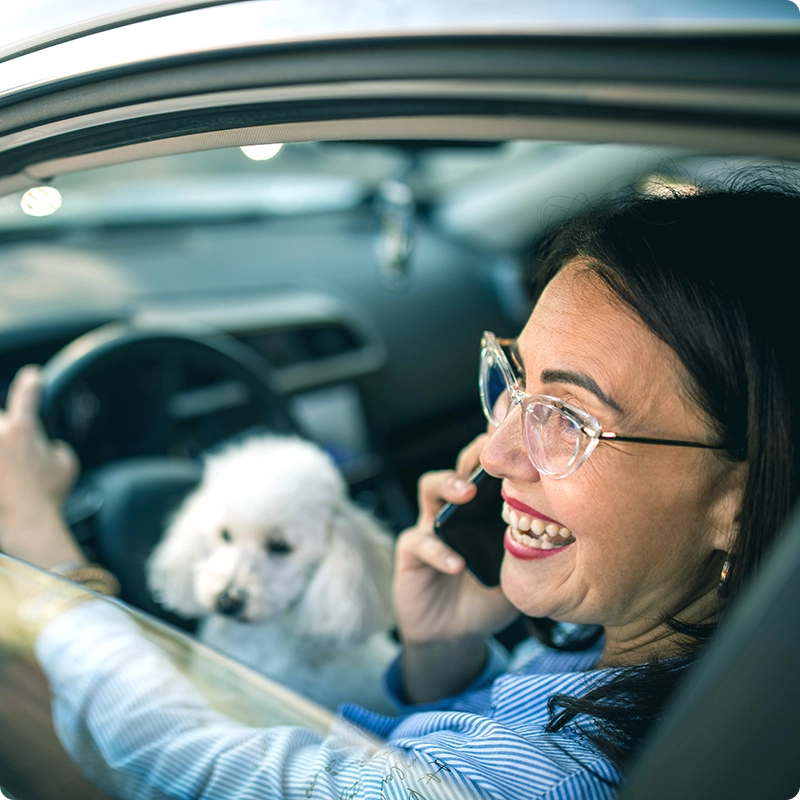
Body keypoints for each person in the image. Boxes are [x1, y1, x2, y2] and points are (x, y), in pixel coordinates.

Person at [1, 182, 799, 800]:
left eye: (568, 417)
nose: (496, 452)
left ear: (740, 497)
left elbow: (189, 768)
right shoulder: (626, 641)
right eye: (515, 382)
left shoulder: (537, 780)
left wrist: (47, 557)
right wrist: (443, 663)